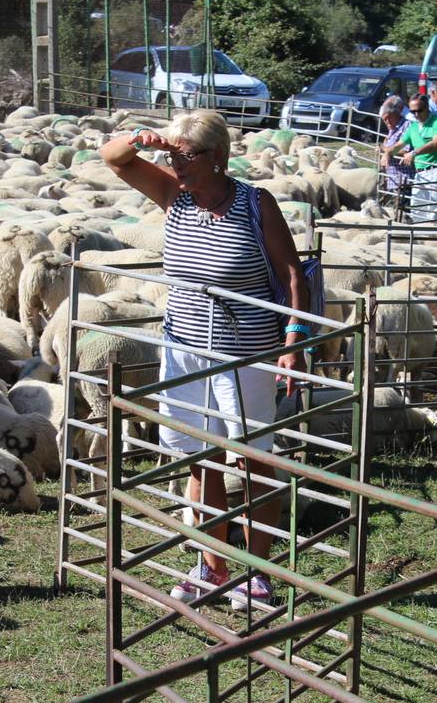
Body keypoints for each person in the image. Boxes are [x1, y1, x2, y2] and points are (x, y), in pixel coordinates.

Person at [100, 111, 310, 608]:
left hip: (245, 353)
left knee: (252, 458)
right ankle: (213, 568)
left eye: (184, 156)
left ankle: (257, 573)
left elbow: (293, 275)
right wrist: (140, 137)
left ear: (217, 157)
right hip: (185, 349)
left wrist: (294, 340)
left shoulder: (255, 204)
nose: (175, 165)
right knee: (199, 458)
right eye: (170, 156)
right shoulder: (176, 195)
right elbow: (112, 158)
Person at [385, 94, 437, 223]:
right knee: (417, 209)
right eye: (412, 111)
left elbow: (436, 142)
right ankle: (418, 240)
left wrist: (414, 153)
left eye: (419, 110)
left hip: (436, 170)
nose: (416, 114)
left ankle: (433, 240)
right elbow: (399, 145)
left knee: (434, 212)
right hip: (419, 173)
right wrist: (387, 152)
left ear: (427, 107)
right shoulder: (413, 127)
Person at [377, 95, 414, 217]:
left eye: (389, 119)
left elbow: (406, 151)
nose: (387, 123)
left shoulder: (407, 126)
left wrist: (386, 150)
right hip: (392, 181)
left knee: (401, 215)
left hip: (403, 181)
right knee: (392, 214)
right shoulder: (392, 130)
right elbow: (388, 146)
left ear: (396, 114)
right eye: (384, 120)